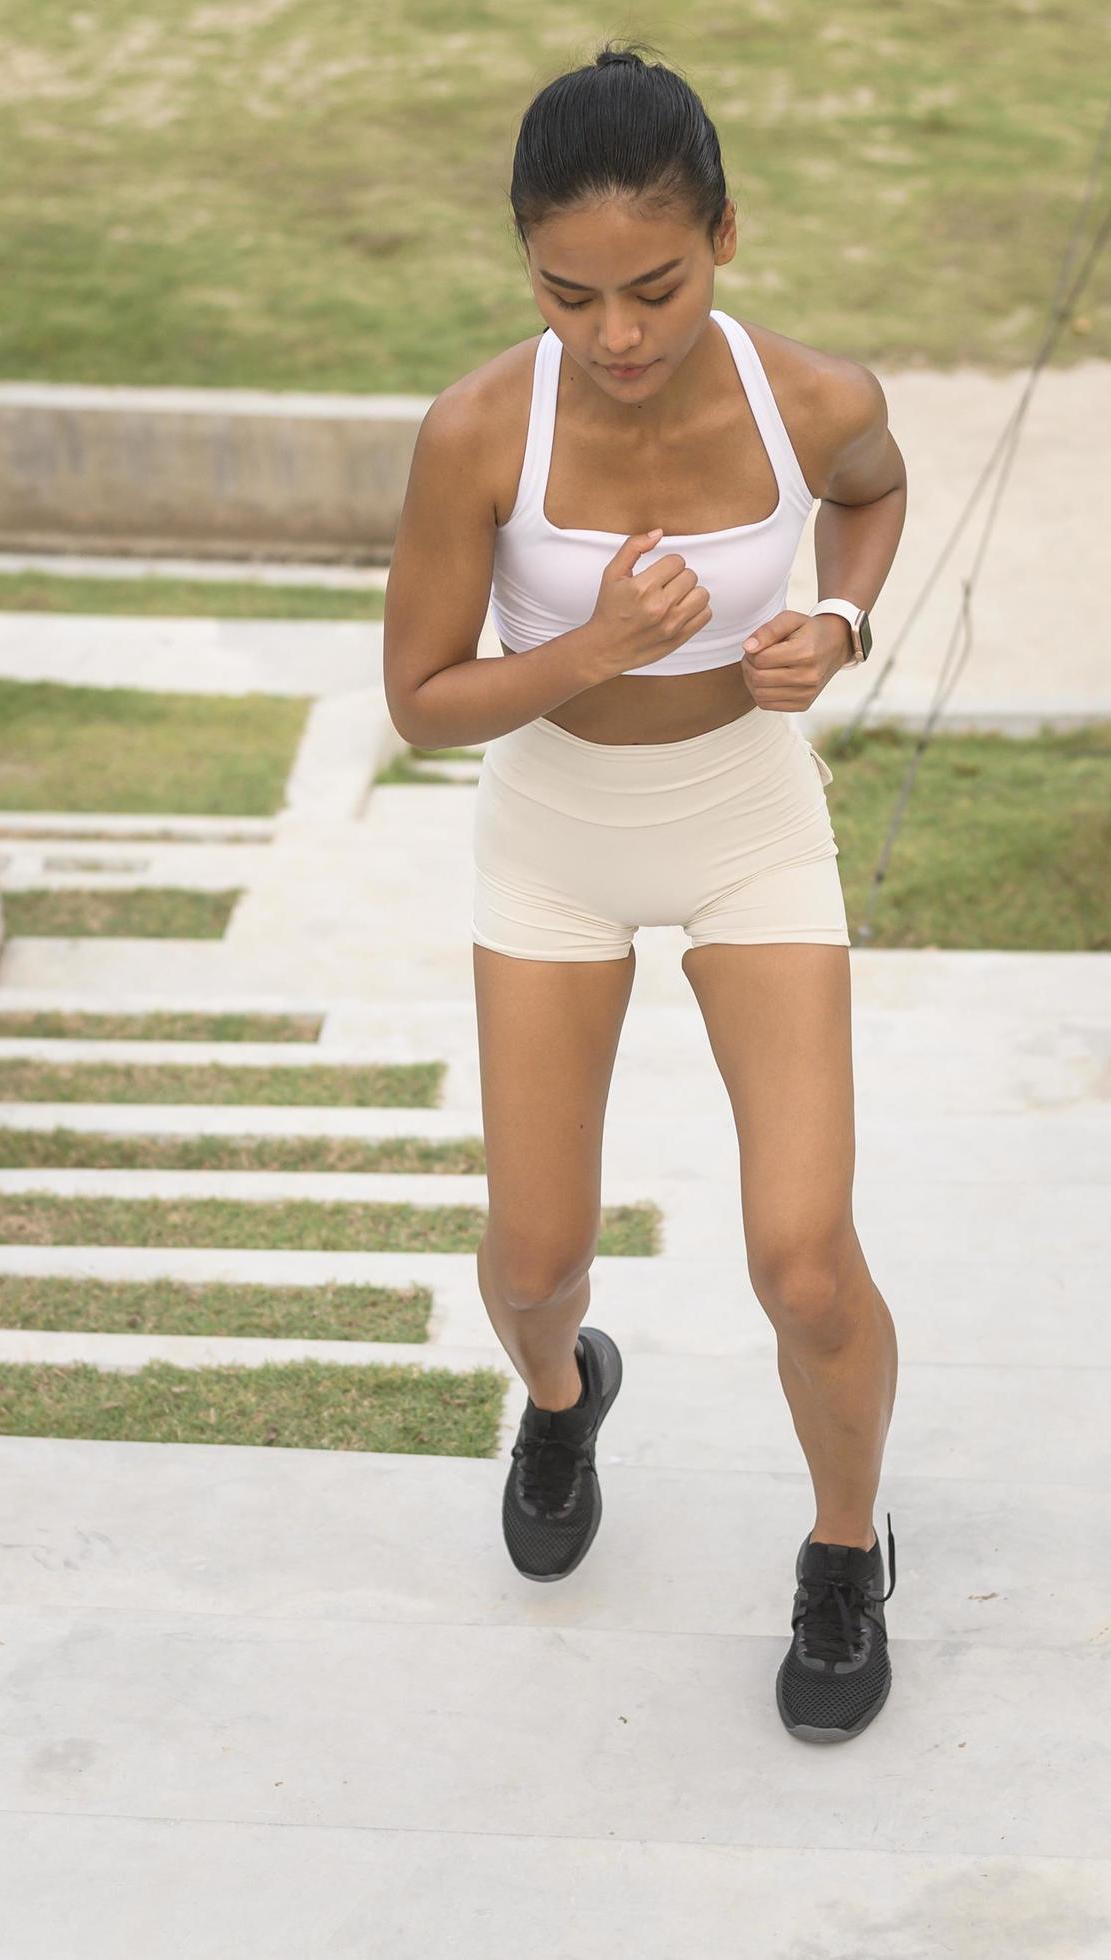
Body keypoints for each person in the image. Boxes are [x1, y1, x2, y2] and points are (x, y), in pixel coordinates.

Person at [380, 41, 910, 1742]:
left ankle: (844, 1550)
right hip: (552, 832)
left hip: (747, 818)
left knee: (804, 1262)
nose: (614, 335)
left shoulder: (811, 399)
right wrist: (594, 645)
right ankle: (557, 1392)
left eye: (654, 288)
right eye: (568, 292)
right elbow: (419, 705)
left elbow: (876, 497)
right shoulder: (477, 432)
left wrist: (838, 626)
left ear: (726, 241)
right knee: (536, 1257)